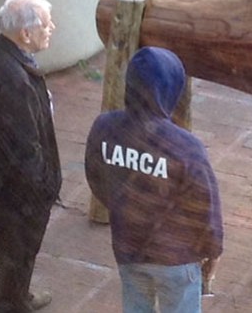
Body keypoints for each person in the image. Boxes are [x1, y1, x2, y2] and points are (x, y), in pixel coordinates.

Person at [85, 46, 223, 313]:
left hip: (128, 248)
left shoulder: (104, 128)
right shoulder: (186, 147)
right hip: (177, 257)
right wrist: (212, 250)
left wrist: (124, 209)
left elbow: (96, 178)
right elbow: (205, 207)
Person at [0, 0, 61, 313]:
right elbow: (26, 148)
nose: (52, 28)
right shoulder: (17, 82)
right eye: (46, 25)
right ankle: (10, 304)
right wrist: (45, 189)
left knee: (10, 247)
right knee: (19, 249)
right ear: (26, 34)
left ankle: (18, 296)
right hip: (12, 189)